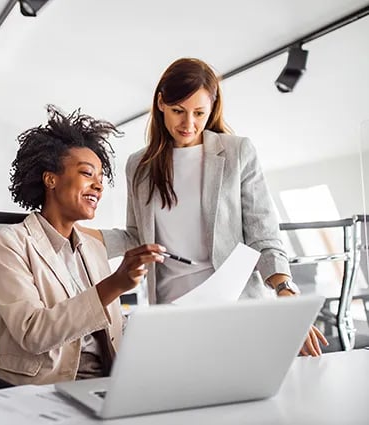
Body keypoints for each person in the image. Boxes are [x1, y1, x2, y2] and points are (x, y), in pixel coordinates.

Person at [81, 58, 328, 357]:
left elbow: (263, 236)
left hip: (234, 309)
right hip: (172, 314)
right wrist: (75, 234)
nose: (188, 124)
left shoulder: (238, 153)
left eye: (199, 113)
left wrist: (285, 290)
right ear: (161, 103)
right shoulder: (139, 165)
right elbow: (137, 236)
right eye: (178, 111)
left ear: (212, 108)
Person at [0, 106, 164, 386]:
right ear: (51, 179)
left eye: (101, 179)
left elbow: (108, 329)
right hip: (47, 387)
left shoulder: (93, 248)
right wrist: (115, 284)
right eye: (87, 174)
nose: (98, 186)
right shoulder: (10, 244)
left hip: (106, 381)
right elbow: (34, 333)